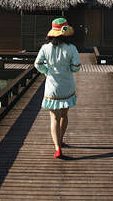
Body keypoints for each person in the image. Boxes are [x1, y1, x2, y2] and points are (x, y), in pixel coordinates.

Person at [34, 17, 81, 158]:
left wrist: (47, 71)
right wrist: (68, 70)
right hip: (67, 86)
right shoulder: (71, 48)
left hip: (52, 87)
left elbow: (37, 64)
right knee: (64, 115)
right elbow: (76, 67)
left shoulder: (45, 48)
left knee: (54, 118)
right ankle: (60, 140)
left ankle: (57, 148)